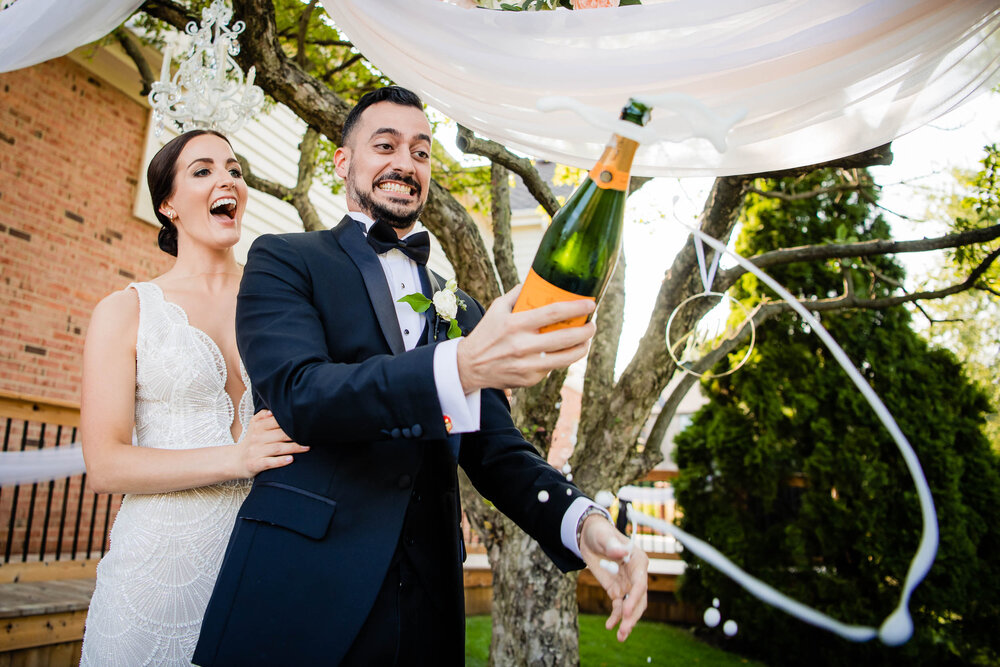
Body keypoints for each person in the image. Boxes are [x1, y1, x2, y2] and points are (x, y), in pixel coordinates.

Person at [194, 86, 649, 666]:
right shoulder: (284, 258)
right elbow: (301, 396)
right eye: (385, 145)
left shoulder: (461, 308)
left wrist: (581, 522)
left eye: (421, 152)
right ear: (342, 162)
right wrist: (460, 365)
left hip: (426, 607)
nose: (405, 163)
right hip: (300, 591)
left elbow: (496, 452)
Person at [78, 129, 308, 667]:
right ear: (167, 205)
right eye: (202, 171)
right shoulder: (126, 311)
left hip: (265, 566)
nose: (227, 179)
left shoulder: (285, 304)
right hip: (157, 577)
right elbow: (106, 465)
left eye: (234, 169)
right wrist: (236, 458)